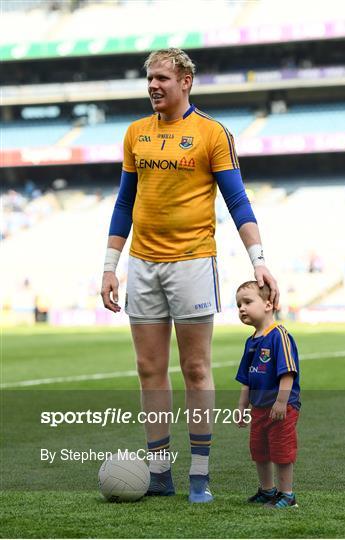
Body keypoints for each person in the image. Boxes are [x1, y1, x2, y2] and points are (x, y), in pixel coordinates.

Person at [101, 48, 279, 503]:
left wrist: (258, 258)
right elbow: (124, 204)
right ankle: (160, 472)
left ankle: (199, 474)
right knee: (148, 369)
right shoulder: (135, 133)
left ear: (186, 82)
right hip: (142, 263)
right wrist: (110, 267)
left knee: (196, 368)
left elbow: (237, 200)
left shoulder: (211, 133)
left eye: (162, 78)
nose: (153, 86)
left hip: (193, 262)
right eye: (149, 79)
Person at [235, 281, 300, 509]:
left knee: (281, 451)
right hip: (259, 409)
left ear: (268, 304)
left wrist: (282, 402)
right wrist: (242, 407)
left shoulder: (279, 335)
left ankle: (287, 495)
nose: (242, 308)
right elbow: (246, 379)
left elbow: (287, 373)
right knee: (260, 451)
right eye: (238, 305)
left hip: (281, 408)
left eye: (247, 302)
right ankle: (267, 490)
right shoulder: (251, 341)